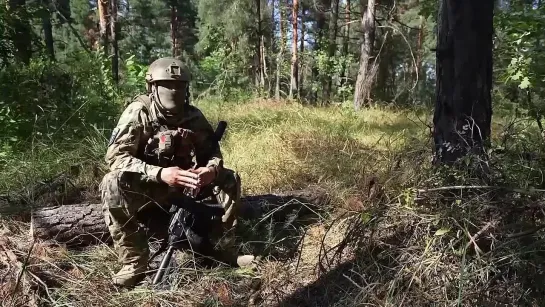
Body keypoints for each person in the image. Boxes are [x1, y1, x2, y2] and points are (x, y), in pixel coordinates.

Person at [99, 57, 253, 287]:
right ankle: (134, 262)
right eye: (167, 86)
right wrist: (160, 173)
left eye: (179, 86)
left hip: (187, 184)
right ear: (152, 87)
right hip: (150, 186)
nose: (174, 91)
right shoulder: (138, 112)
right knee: (111, 182)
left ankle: (225, 249)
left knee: (230, 178)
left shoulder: (193, 116)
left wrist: (210, 170)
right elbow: (115, 157)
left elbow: (213, 154)